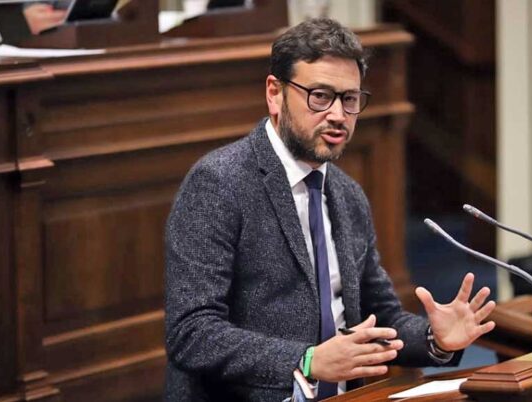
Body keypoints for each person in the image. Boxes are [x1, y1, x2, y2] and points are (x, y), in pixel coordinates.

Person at [164, 17, 496, 402]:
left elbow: (381, 316)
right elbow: (191, 332)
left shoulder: (347, 193)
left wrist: (435, 340)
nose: (338, 115)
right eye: (320, 96)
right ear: (275, 93)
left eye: (350, 99)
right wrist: (305, 360)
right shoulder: (219, 183)